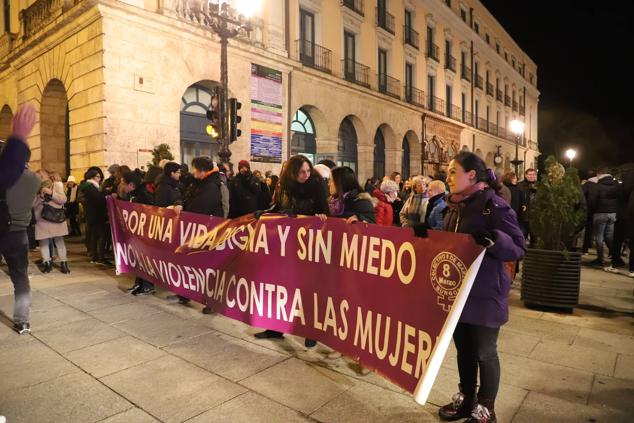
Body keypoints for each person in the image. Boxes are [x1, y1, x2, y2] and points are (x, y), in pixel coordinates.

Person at [438, 151, 525, 423]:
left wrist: (493, 239)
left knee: (485, 352)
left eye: (453, 171)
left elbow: (518, 247)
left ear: (471, 174)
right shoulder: (452, 206)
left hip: (485, 291)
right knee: (463, 348)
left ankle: (486, 407)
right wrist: (423, 235)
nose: (448, 177)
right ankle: (466, 398)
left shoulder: (493, 205)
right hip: (457, 289)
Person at [254, 155, 328, 347]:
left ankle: (311, 330)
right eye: (301, 172)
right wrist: (266, 213)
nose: (306, 175)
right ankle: (275, 327)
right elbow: (279, 207)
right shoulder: (284, 185)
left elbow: (324, 211)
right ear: (293, 172)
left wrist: (321, 216)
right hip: (286, 243)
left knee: (307, 289)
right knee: (281, 287)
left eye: (308, 171)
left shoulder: (317, 184)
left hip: (308, 245)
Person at [1, 104, 40, 334]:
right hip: (19, 233)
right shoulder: (34, 179)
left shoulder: (8, 176)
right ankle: (22, 320)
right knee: (20, 278)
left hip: (2, 226)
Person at [120, 171, 155, 295]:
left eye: (123, 183)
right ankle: (139, 283)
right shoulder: (133, 194)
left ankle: (147, 285)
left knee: (144, 259)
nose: (121, 185)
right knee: (138, 259)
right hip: (136, 233)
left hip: (144, 233)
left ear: (131, 184)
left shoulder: (143, 195)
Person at [33, 170, 70, 274]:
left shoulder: (56, 185)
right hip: (41, 218)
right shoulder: (34, 188)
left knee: (59, 240)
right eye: (38, 177)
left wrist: (51, 193)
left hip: (56, 217)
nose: (40, 178)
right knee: (43, 241)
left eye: (42, 176)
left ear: (47, 175)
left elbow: (63, 200)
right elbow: (32, 205)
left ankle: (64, 263)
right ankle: (47, 263)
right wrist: (40, 197)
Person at [586, 169, 619, 266]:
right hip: (613, 213)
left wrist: (592, 210)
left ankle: (600, 259)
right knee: (609, 236)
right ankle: (614, 255)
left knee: (599, 237)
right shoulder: (616, 185)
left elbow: (593, 200)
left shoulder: (598, 186)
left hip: (600, 213)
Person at [83, 169, 110, 265]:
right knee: (101, 236)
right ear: (92, 177)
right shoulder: (90, 187)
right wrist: (107, 193)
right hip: (97, 216)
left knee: (94, 236)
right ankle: (100, 257)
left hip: (93, 216)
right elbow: (98, 199)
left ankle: (95, 257)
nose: (99, 179)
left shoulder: (90, 186)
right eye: (98, 177)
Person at [518, 168, 537, 244]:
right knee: (522, 238)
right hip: (523, 217)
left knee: (535, 240)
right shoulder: (520, 186)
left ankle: (534, 255)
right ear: (525, 175)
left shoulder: (538, 185)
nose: (531, 176)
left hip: (535, 217)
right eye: (529, 174)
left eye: (533, 174)